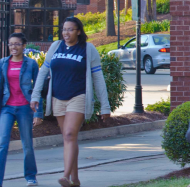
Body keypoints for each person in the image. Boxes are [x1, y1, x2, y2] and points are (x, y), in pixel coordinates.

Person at [32, 17, 111, 187]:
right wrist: (35, 95)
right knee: (69, 139)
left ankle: (65, 176)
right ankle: (75, 180)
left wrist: (105, 105)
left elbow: (98, 78)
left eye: (70, 29)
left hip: (78, 96)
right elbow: (43, 71)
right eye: (64, 29)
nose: (66, 33)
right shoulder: (56, 46)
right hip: (57, 97)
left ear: (79, 31)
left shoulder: (88, 49)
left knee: (69, 135)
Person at [0, 33, 42, 186]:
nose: (13, 47)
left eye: (17, 44)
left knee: (27, 144)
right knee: (2, 143)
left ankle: (31, 176)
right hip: (7, 108)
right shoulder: (2, 63)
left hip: (25, 107)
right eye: (11, 44)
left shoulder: (31, 64)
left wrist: (38, 112)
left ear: (24, 45)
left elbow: (38, 89)